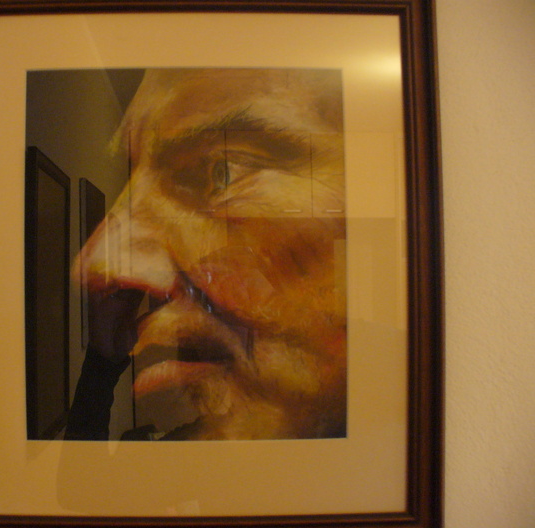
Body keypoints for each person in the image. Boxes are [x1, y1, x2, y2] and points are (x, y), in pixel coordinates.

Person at [67, 68, 346, 440]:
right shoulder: (185, 453)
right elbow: (80, 474)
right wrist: (103, 362)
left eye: (222, 171)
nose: (96, 262)